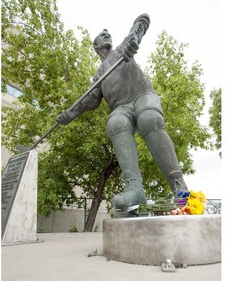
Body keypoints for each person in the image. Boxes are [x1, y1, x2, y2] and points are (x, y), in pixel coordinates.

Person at [56, 13, 189, 212]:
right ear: (96, 46)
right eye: (103, 35)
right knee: (115, 123)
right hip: (121, 108)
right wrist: (71, 114)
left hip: (142, 95)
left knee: (149, 119)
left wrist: (134, 40)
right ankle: (134, 188)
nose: (107, 34)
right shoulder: (100, 74)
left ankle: (178, 185)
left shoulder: (122, 49)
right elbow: (91, 100)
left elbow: (142, 22)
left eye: (108, 33)